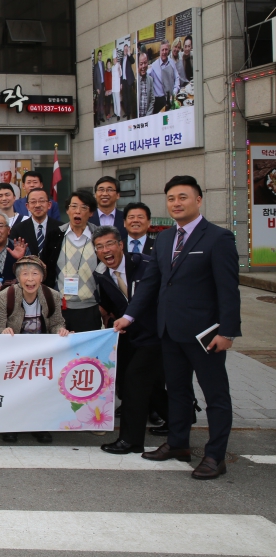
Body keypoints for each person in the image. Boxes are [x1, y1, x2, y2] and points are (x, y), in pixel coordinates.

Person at [116, 176, 241, 479]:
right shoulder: (165, 238)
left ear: (199, 200)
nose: (176, 203)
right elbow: (151, 284)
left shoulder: (218, 238)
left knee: (216, 396)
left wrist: (228, 331)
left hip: (205, 334)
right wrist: (129, 317)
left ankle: (215, 456)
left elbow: (228, 289)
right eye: (171, 198)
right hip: (169, 331)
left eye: (183, 197)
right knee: (179, 392)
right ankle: (178, 443)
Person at [91, 227, 167, 455]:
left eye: (109, 244)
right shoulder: (101, 274)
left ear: (121, 245)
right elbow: (110, 305)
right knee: (141, 384)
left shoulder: (145, 264)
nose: (106, 250)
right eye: (99, 247)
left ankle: (131, 440)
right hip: (128, 337)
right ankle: (179, 416)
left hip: (154, 336)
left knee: (135, 384)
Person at [0, 255, 69, 444]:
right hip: (15, 352)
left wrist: (60, 330)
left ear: (42, 277)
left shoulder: (52, 295)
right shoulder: (7, 295)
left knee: (40, 390)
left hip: (41, 353)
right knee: (14, 390)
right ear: (18, 278)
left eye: (35, 274)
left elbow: (56, 322)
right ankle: (10, 426)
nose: (30, 279)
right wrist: (4, 331)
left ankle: (40, 426)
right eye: (25, 274)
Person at [40, 191, 101, 332]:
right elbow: (45, 269)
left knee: (87, 353)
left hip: (91, 307)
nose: (77, 211)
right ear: (67, 210)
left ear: (91, 213)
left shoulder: (99, 236)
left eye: (84, 207)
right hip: (60, 307)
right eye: (73, 206)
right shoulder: (55, 235)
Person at [11, 187, 59, 257]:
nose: (37, 205)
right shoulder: (18, 229)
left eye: (42, 201)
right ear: (27, 206)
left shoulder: (60, 228)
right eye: (33, 202)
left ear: (49, 205)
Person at [89, 176, 127, 241]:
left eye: (109, 190)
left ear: (118, 195)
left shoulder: (126, 218)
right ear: (95, 194)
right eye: (101, 190)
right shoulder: (87, 218)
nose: (105, 193)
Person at [148, 40, 180, 114]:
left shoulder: (172, 62)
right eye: (162, 50)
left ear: (168, 50)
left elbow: (177, 78)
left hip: (171, 97)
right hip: (159, 101)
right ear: (160, 51)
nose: (164, 52)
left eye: (166, 49)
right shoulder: (153, 66)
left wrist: (174, 92)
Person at [135, 51, 152, 118]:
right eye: (141, 64)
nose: (143, 66)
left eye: (145, 63)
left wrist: (148, 116)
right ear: (138, 65)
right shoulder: (135, 81)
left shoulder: (150, 79)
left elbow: (152, 100)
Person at [93, 48, 106, 123]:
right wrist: (97, 88)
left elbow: (103, 75)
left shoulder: (103, 63)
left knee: (102, 102)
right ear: (97, 56)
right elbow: (94, 78)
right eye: (99, 55)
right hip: (98, 86)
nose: (100, 56)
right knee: (98, 104)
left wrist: (104, 86)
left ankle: (101, 116)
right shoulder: (95, 66)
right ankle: (97, 118)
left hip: (103, 84)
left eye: (101, 55)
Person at [110, 56, 123, 121]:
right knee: (114, 100)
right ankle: (115, 112)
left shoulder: (119, 65)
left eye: (114, 59)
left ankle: (118, 114)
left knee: (117, 101)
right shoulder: (112, 67)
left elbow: (121, 74)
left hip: (117, 86)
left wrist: (118, 69)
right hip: (113, 87)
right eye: (113, 59)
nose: (113, 60)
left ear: (116, 59)